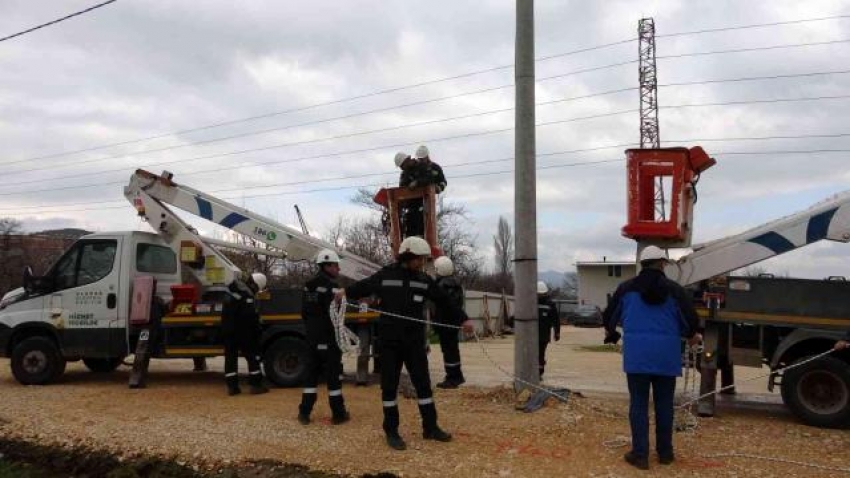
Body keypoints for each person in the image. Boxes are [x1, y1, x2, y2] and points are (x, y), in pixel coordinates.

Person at [336, 236, 473, 451]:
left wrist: (463, 318)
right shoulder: (386, 275)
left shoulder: (424, 279)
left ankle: (430, 427)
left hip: (414, 343)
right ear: (407, 256)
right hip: (390, 343)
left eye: (423, 260)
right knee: (389, 387)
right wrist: (344, 293)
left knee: (423, 385)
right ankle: (391, 430)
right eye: (418, 259)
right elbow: (364, 286)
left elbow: (444, 301)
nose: (421, 263)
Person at [602, 246, 702, 470]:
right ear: (662, 264)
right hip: (666, 357)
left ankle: (640, 455)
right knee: (664, 404)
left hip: (637, 358)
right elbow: (690, 322)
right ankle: (665, 453)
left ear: (642, 263)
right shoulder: (675, 290)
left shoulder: (626, 289)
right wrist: (691, 335)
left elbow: (609, 316)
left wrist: (612, 332)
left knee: (638, 404)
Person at [298, 249, 350, 425]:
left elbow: (304, 312)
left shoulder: (307, 285)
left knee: (310, 376)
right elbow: (336, 313)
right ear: (327, 265)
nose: (338, 269)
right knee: (333, 376)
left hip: (312, 338)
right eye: (336, 265)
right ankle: (339, 413)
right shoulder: (332, 287)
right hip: (329, 338)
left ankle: (304, 413)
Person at [222, 272, 270, 396]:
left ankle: (232, 387)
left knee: (230, 358)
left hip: (228, 331)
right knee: (252, 357)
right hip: (243, 332)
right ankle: (256, 385)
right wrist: (257, 329)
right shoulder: (246, 296)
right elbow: (249, 318)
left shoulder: (231, 291)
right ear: (254, 285)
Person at [433, 256, 466, 389]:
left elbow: (445, 306)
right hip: (452, 324)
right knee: (452, 350)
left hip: (445, 324)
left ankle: (453, 378)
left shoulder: (442, 286)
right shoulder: (456, 284)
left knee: (449, 351)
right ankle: (456, 375)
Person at [536, 281, 560, 379]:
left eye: (541, 294)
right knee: (532, 354)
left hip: (544, 334)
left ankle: (539, 372)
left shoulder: (550, 304)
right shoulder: (530, 302)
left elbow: (555, 319)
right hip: (532, 334)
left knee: (541, 354)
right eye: (538, 294)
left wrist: (557, 332)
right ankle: (533, 371)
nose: (540, 296)